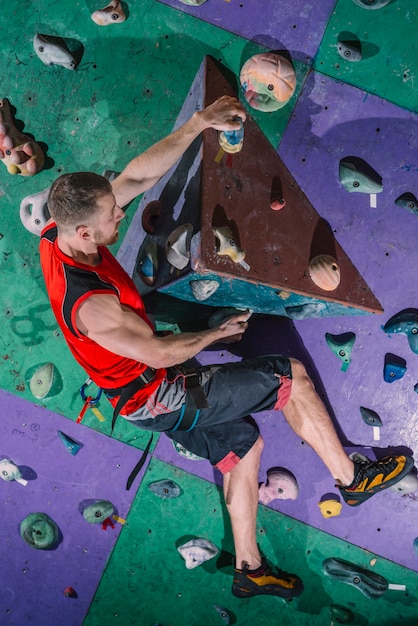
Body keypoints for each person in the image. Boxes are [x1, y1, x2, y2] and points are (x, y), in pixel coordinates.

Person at [39, 95, 414, 600]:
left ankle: (249, 568)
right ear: (84, 231)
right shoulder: (92, 306)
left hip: (142, 385)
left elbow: (134, 178)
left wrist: (198, 122)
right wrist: (216, 334)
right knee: (289, 377)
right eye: (111, 217)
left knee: (242, 447)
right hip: (158, 392)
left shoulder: (60, 235)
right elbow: (160, 354)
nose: (119, 218)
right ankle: (353, 479)